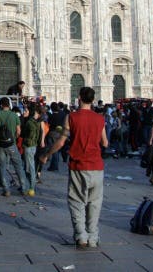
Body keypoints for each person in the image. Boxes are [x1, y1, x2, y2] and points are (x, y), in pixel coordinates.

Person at [40, 87, 108, 248]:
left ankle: (81, 236)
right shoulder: (100, 119)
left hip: (78, 165)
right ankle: (93, 237)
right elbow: (105, 143)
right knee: (94, 203)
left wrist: (46, 155)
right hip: (97, 166)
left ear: (79, 98)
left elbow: (61, 142)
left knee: (77, 201)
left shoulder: (72, 117)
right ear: (93, 99)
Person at [0, 96, 30, 197]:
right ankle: (24, 188)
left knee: (3, 166)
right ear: (9, 105)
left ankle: (6, 189)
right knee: (18, 166)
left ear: (0, 105)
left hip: (0, 145)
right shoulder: (14, 116)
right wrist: (14, 138)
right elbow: (18, 131)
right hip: (11, 144)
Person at [21, 103, 42, 194]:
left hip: (28, 145)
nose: (24, 112)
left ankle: (30, 187)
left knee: (29, 167)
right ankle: (29, 187)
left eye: (26, 110)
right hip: (33, 145)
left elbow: (25, 134)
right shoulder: (36, 121)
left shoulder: (29, 122)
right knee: (29, 166)